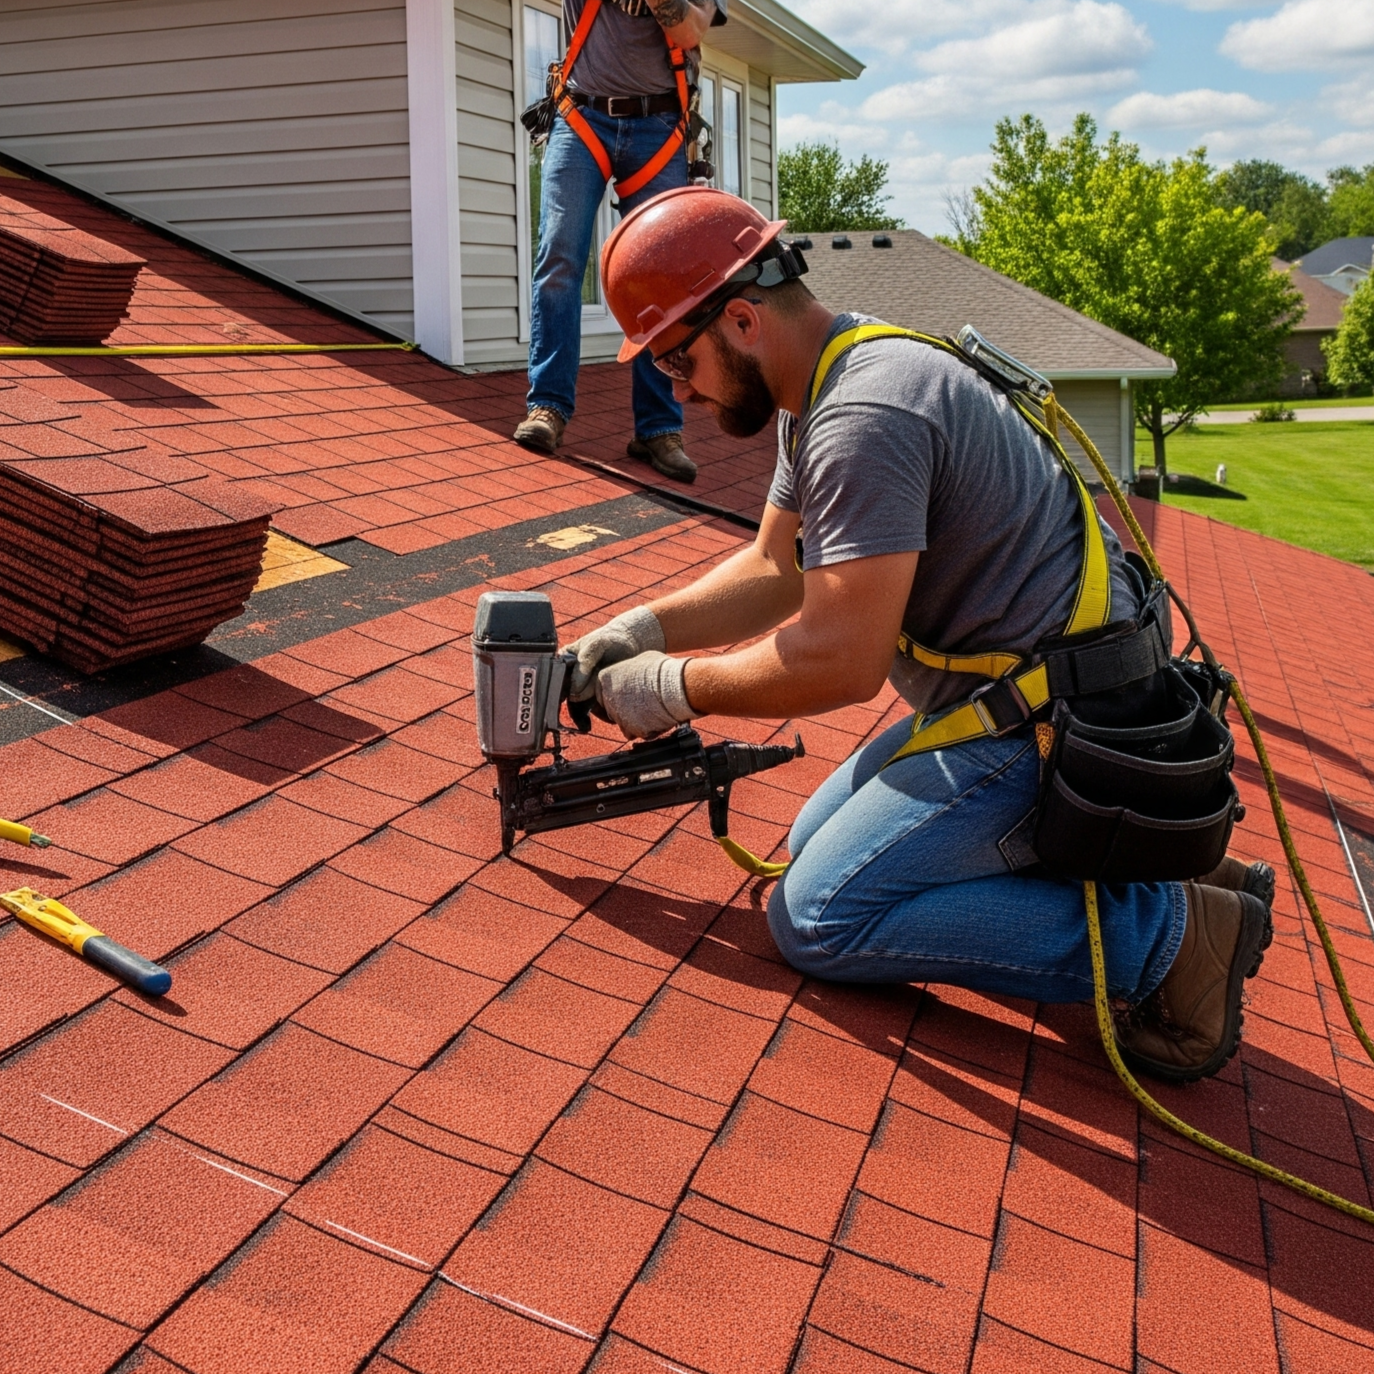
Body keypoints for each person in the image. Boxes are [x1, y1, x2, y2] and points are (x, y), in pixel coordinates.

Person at [566, 186, 1275, 1084]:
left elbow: (840, 660)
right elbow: (772, 572)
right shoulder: (825, 376)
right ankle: (1173, 874)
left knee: (819, 916)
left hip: (1059, 725)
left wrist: (670, 688)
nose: (678, 388)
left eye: (675, 360)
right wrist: (639, 630)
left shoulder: (868, 416)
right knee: (807, 853)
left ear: (741, 319)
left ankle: (1170, 940)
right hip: (1030, 699)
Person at [513, 0, 725, 484]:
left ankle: (658, 429)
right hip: (582, 115)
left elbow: (692, 31)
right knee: (560, 259)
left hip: (660, 128)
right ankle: (547, 406)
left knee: (662, 278)